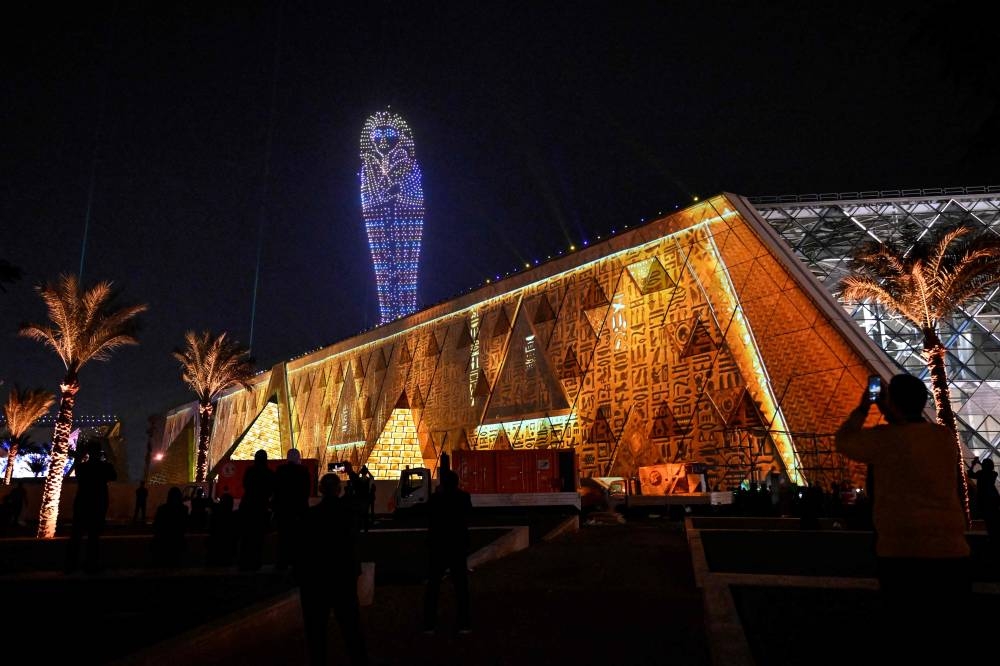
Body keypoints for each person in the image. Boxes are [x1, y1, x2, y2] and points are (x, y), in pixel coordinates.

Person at [835, 373, 970, 658]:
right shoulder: (944, 437)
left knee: (905, 632)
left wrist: (865, 408)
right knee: (950, 633)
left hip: (901, 551)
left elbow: (845, 441)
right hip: (952, 551)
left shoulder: (885, 440)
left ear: (890, 403)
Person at [293, 473, 369, 666]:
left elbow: (300, 551)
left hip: (317, 581)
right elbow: (364, 494)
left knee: (316, 631)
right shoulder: (349, 513)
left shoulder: (310, 516)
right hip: (343, 579)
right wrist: (352, 473)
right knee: (351, 628)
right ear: (339, 489)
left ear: (320, 490)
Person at [422, 468, 473, 635]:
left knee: (433, 588)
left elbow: (427, 514)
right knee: (461, 588)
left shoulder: (436, 499)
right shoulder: (464, 498)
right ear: (457, 483)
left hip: (438, 547)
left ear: (442, 484)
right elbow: (468, 516)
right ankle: (464, 624)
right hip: (457, 546)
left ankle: (429, 624)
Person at [66, 438, 118, 574]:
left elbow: (77, 473)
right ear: (99, 451)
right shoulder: (105, 467)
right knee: (94, 536)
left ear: (88, 452)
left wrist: (79, 457)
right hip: (98, 504)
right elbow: (114, 476)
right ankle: (92, 564)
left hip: (82, 503)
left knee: (77, 536)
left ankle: (72, 564)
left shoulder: (82, 467)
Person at [273, 448, 312, 570]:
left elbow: (276, 490)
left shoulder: (280, 470)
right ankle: (297, 564)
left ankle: (282, 564)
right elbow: (306, 490)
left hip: (283, 511)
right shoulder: (303, 470)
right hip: (299, 511)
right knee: (298, 539)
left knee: (283, 539)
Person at [238, 449, 275, 572]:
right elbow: (271, 490)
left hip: (248, 506)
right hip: (260, 508)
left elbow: (245, 485)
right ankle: (255, 562)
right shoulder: (269, 473)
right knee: (258, 538)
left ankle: (244, 562)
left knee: (246, 537)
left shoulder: (250, 471)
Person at [151, 486, 189, 567]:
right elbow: (185, 526)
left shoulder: (162, 509)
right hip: (177, 542)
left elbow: (156, 526)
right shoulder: (184, 509)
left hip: (163, 543)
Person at [968, 457, 999, 545]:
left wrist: (974, 464)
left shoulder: (980, 473)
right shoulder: (994, 474)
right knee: (993, 518)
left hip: (983, 498)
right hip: (993, 497)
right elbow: (987, 470)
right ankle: (994, 537)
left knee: (987, 518)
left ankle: (991, 537)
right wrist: (980, 463)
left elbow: (970, 474)